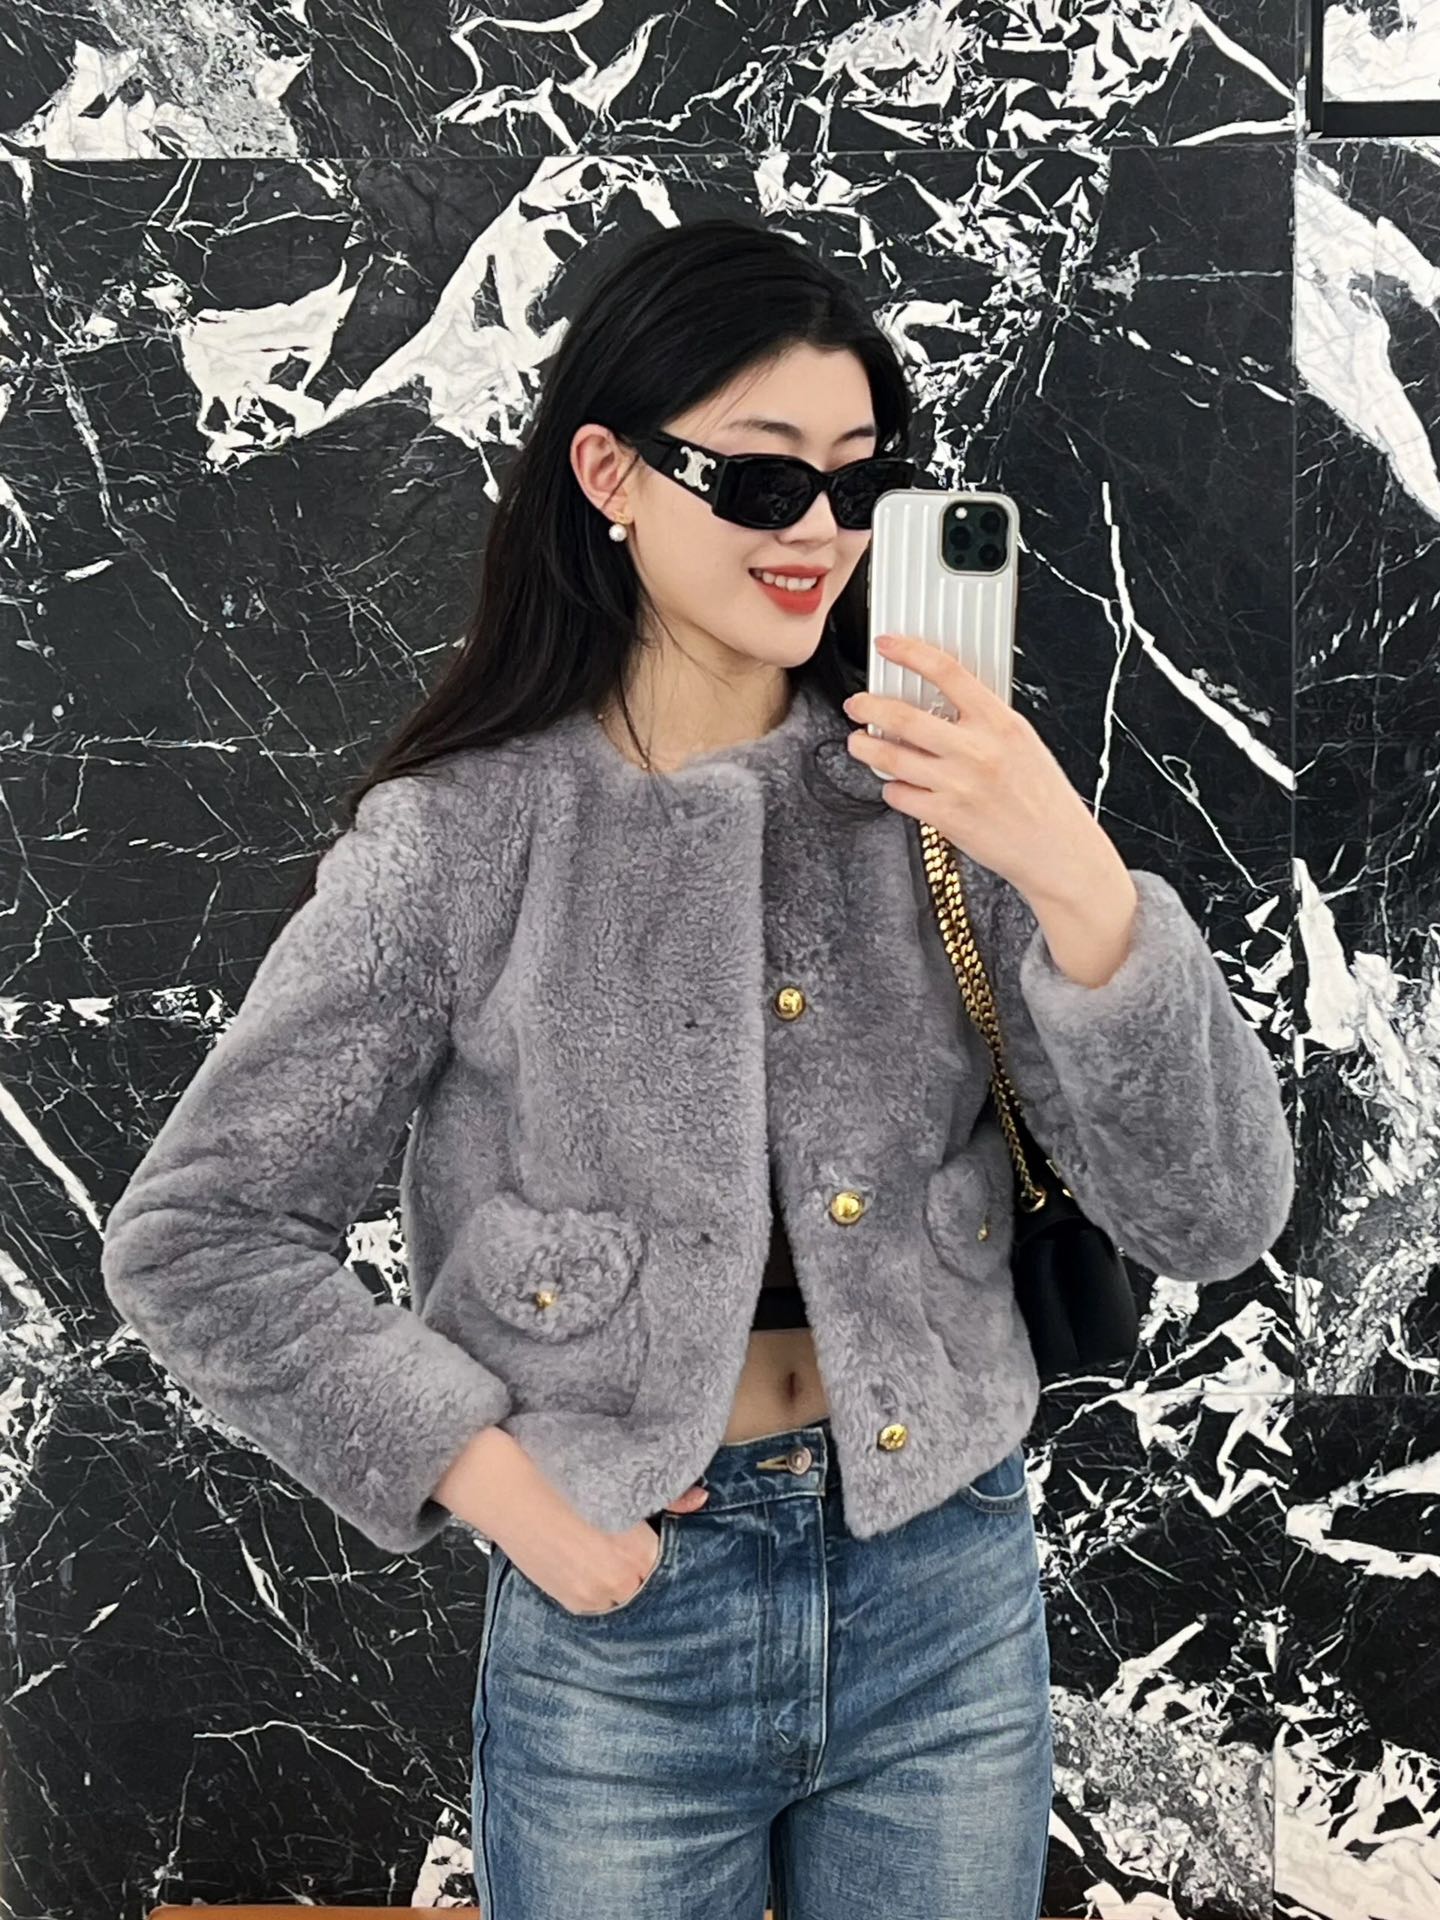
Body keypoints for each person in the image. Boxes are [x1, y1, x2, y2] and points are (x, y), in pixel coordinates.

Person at [101, 215, 1295, 1920]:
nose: (819, 532)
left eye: (857, 482)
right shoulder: (463, 839)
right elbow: (198, 1235)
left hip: (944, 1593)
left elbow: (1213, 1216)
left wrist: (1077, 877)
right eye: (760, 477)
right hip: (625, 1619)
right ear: (611, 472)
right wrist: (502, 1491)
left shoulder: (943, 808)